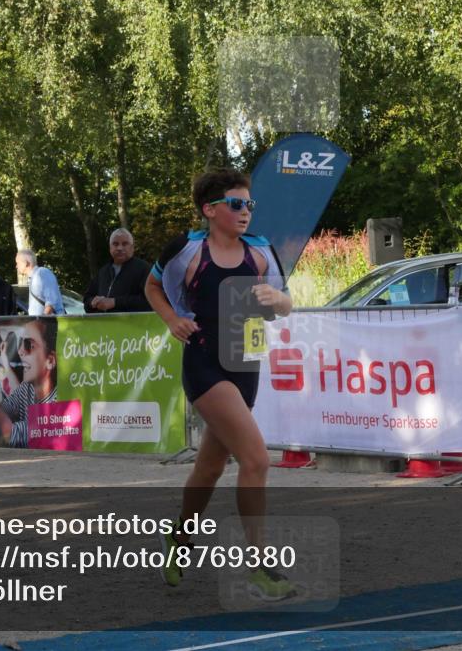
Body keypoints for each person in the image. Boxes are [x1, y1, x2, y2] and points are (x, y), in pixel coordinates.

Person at [145, 168, 294, 601]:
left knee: (210, 467)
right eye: (236, 204)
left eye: (249, 204)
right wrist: (173, 319)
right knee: (257, 459)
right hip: (205, 363)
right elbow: (152, 285)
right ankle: (260, 567)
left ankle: (178, 540)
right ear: (210, 210)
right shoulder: (188, 249)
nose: (245, 211)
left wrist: (276, 300)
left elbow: (286, 303)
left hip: (246, 364)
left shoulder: (262, 251)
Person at [0, 318, 57, 448]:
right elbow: (4, 411)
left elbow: (9, 433)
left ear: (50, 361)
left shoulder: (58, 403)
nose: (20, 351)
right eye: (20, 343)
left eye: (29, 345)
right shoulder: (27, 388)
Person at [84, 228, 152, 314]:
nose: (120, 248)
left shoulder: (144, 269)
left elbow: (151, 302)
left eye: (125, 244)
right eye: (115, 244)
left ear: (132, 248)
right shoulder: (103, 272)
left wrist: (115, 302)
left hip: (134, 326)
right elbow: (87, 299)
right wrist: (92, 302)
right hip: (105, 326)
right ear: (110, 248)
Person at [15, 249, 64, 316]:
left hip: (50, 324)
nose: (16, 266)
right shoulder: (33, 277)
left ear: (26, 263)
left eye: (18, 263)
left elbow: (51, 302)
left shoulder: (42, 273)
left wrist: (41, 321)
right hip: (42, 324)